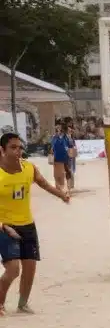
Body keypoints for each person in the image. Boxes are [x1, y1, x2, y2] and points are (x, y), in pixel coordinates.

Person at [0, 132, 72, 317]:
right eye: (13, 148)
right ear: (2, 150)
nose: (18, 151)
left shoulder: (29, 168)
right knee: (13, 270)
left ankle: (22, 304)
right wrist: (2, 225)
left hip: (27, 225)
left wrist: (62, 195)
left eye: (20, 147)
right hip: (5, 227)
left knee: (30, 267)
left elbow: (45, 185)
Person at [48, 120, 73, 194]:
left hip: (65, 157)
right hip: (57, 158)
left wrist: (70, 136)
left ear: (62, 128)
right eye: (57, 126)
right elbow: (52, 146)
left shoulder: (66, 136)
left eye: (59, 126)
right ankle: (59, 188)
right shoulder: (55, 137)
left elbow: (71, 145)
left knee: (67, 171)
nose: (58, 128)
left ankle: (68, 187)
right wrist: (51, 152)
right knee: (57, 174)